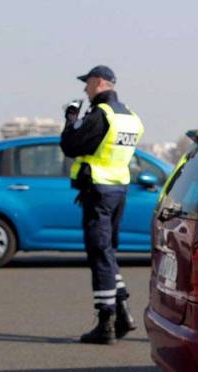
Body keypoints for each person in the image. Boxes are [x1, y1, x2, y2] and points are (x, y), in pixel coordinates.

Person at [60, 65, 144, 344]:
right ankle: (122, 311)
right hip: (119, 189)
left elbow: (71, 145)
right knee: (107, 252)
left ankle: (106, 321)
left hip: (98, 191)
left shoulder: (101, 114)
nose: (84, 89)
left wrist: (72, 116)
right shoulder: (130, 116)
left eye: (87, 84)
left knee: (99, 254)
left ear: (98, 82)